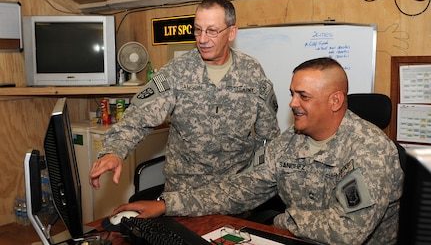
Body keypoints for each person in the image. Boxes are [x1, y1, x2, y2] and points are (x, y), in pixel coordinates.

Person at [114, 57, 404, 245]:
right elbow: (238, 190)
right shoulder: (289, 142)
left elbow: (347, 232)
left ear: (335, 101)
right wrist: (166, 204)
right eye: (292, 93)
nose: (292, 104)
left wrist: (284, 219)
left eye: (303, 96)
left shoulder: (371, 150)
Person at [89, 0, 280, 194]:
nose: (203, 39)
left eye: (212, 31)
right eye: (197, 30)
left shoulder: (252, 71)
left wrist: (259, 179)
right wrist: (114, 151)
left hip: (235, 190)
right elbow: (137, 117)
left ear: (232, 32)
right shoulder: (176, 72)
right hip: (185, 192)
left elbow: (268, 135)